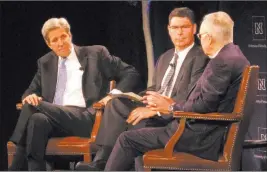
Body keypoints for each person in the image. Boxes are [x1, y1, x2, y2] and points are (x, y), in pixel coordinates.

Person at [104, 11, 250, 171]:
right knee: (135, 128)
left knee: (127, 139)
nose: (200, 41)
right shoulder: (235, 56)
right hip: (199, 130)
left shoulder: (221, 62)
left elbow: (203, 106)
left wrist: (171, 107)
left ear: (208, 37)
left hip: (197, 136)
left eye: (200, 36)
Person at [76, 7, 209, 171]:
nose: (179, 33)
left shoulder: (200, 57)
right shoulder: (165, 57)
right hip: (153, 107)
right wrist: (137, 97)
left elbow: (190, 96)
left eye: (184, 27)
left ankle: (110, 165)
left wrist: (156, 110)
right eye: (175, 28)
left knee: (137, 123)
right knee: (115, 103)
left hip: (172, 115)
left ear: (194, 29)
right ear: (168, 29)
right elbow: (157, 88)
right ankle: (101, 160)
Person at [8, 17, 141, 171]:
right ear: (48, 44)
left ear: (70, 35)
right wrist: (29, 96)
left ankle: (17, 163)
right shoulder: (45, 62)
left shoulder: (95, 53)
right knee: (37, 120)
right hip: (55, 119)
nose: (60, 42)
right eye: (55, 40)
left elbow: (131, 73)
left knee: (33, 108)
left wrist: (112, 95)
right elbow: (30, 91)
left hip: (87, 118)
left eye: (63, 36)